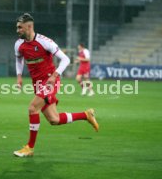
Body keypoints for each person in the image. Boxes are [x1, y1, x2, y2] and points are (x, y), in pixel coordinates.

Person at [13, 13, 99, 157]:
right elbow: (19, 60)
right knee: (54, 119)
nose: (17, 30)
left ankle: (29, 148)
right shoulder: (18, 44)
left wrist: (54, 75)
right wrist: (19, 76)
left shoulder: (45, 42)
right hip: (37, 84)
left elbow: (65, 59)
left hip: (50, 81)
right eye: (17, 27)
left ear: (29, 26)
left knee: (33, 108)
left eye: (20, 27)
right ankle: (86, 115)